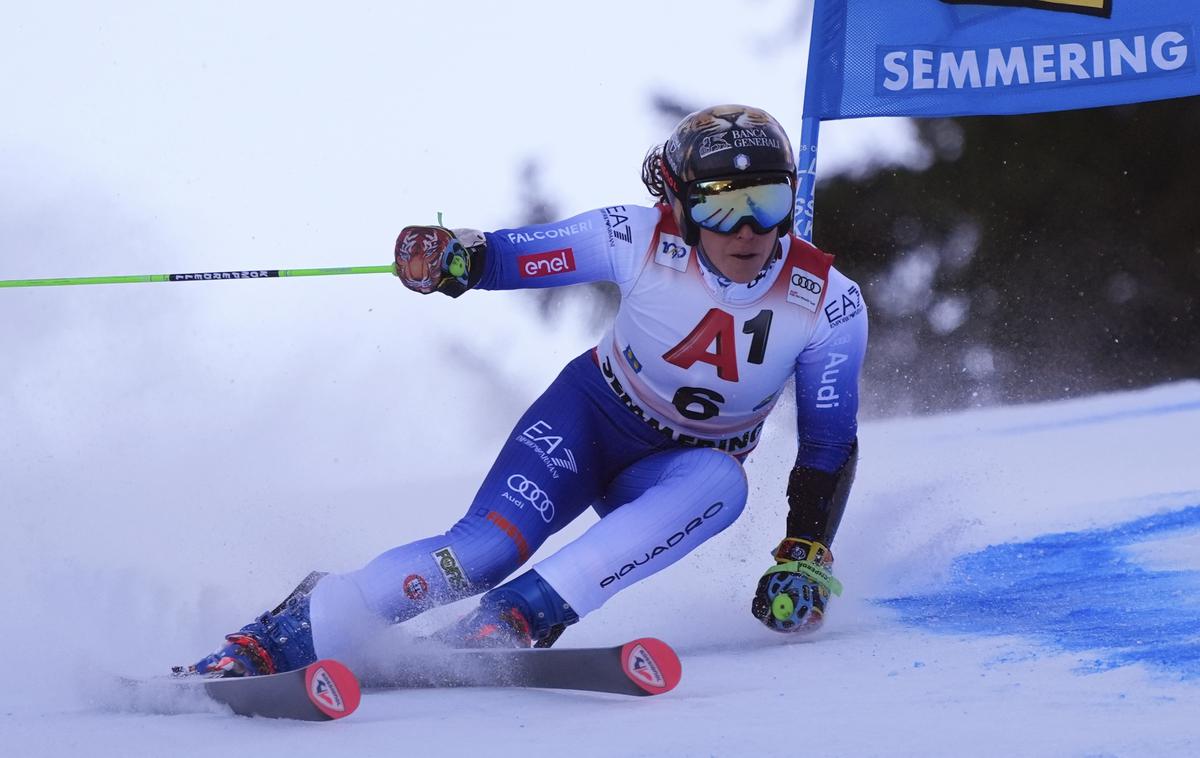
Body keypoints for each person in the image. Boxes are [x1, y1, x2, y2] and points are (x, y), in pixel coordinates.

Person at [188, 104, 868, 677]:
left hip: (675, 470)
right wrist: (454, 258)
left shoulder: (829, 304)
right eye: (722, 208)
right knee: (485, 551)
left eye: (768, 202)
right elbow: (517, 254)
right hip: (589, 421)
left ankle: (516, 617)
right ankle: (283, 635)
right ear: (681, 206)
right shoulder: (633, 236)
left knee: (722, 485)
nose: (748, 231)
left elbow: (829, 441)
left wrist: (804, 555)